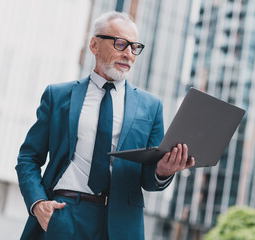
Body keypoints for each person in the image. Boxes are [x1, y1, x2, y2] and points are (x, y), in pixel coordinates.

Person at [16, 11, 195, 240]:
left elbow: (148, 178)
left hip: (122, 223)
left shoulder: (151, 107)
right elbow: (28, 158)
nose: (129, 54)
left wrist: (163, 171)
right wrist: (38, 203)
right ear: (94, 45)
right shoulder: (58, 96)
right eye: (121, 44)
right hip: (64, 214)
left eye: (134, 47)